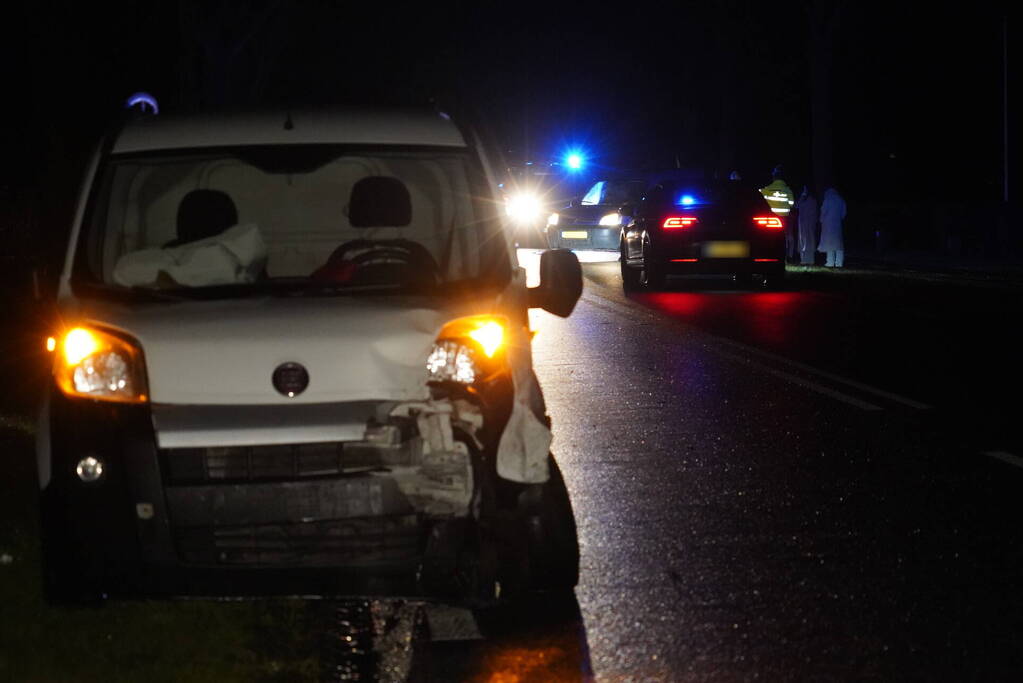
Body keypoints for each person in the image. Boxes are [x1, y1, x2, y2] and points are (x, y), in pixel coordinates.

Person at [817, 187, 847, 267]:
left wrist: (821, 220)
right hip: (837, 225)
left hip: (828, 225)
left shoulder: (827, 200)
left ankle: (830, 262)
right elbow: (843, 213)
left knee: (829, 244)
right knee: (838, 245)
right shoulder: (841, 200)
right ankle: (839, 263)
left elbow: (823, 211)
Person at [794, 186, 818, 265]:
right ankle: (808, 260)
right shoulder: (812, 201)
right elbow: (796, 206)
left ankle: (806, 260)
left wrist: (802, 197)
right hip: (807, 225)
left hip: (806, 224)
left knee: (806, 242)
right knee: (807, 242)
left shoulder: (808, 201)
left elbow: (796, 206)